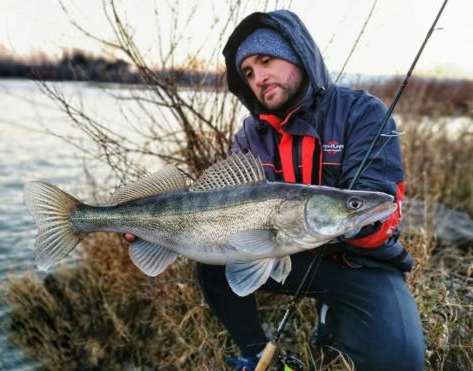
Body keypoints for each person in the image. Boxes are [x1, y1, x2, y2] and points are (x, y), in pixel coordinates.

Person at [126, 10, 425, 371]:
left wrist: (356, 218)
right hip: (290, 251)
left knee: (402, 362)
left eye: (266, 61)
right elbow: (223, 202)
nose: (258, 78)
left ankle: (332, 316)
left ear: (298, 54)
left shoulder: (361, 112)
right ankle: (255, 353)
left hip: (359, 264)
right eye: (248, 72)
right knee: (213, 265)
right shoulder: (251, 134)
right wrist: (152, 226)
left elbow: (380, 200)